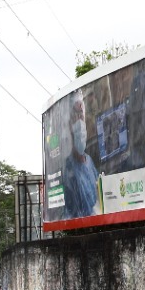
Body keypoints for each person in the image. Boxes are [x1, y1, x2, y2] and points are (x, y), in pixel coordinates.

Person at [62, 91, 100, 219]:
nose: (80, 121)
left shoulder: (89, 161)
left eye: (81, 116)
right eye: (75, 116)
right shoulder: (69, 169)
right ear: (69, 125)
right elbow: (72, 214)